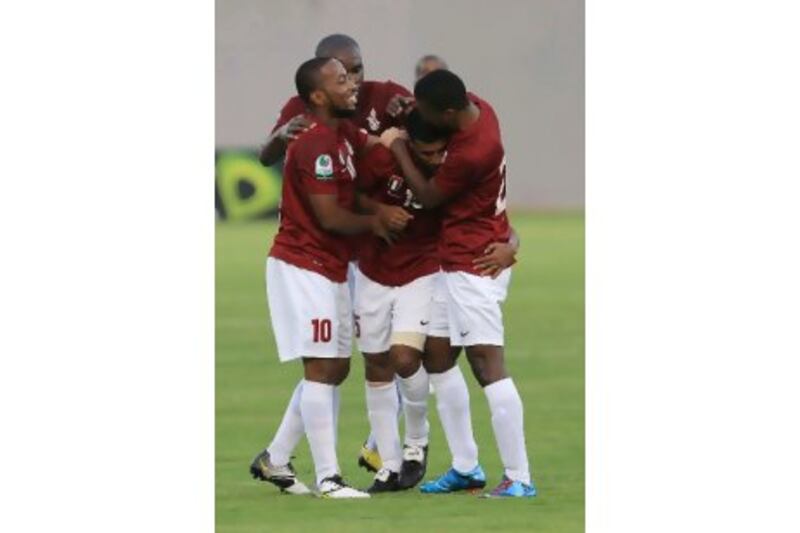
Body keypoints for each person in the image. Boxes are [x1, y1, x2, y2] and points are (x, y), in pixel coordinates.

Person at [249, 56, 411, 499]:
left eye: (354, 76)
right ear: (318, 95)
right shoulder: (316, 143)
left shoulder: (344, 135)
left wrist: (394, 138)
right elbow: (331, 215)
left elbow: (373, 150)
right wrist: (378, 221)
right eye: (342, 80)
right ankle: (329, 479)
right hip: (303, 265)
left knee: (336, 367)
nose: (353, 85)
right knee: (321, 368)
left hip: (330, 266)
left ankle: (277, 458)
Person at [380, 69, 537, 497]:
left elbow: (429, 196)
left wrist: (396, 145)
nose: (426, 120)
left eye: (430, 113)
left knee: (487, 365)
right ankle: (466, 466)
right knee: (437, 355)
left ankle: (519, 477)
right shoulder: (481, 108)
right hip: (460, 259)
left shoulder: (473, 151)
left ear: (449, 113)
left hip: (474, 266)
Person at [259, 34, 412, 168]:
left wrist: (411, 114)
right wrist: (281, 134)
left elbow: (430, 140)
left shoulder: (387, 94)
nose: (352, 82)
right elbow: (266, 159)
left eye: (357, 70)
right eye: (341, 76)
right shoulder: (300, 106)